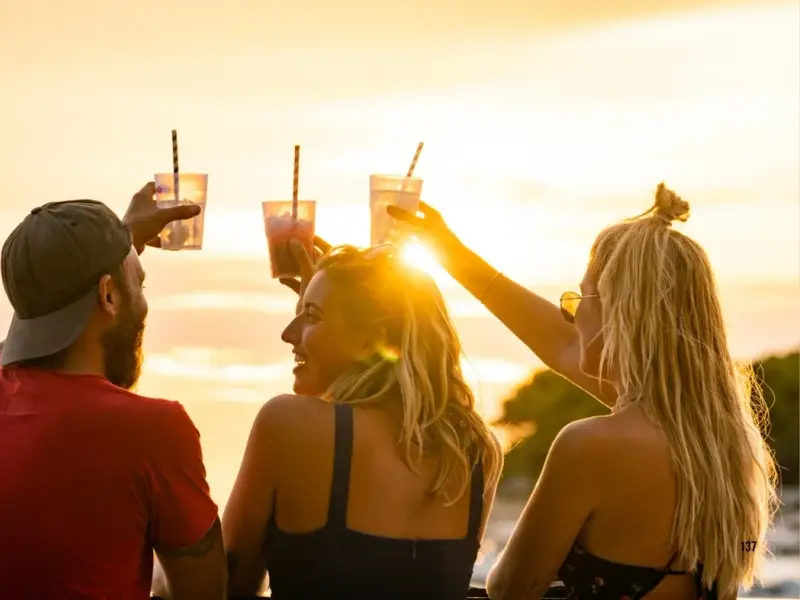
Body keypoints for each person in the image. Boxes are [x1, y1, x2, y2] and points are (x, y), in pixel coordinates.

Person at [390, 184, 778, 600]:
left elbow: (510, 588)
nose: (570, 315)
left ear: (618, 315)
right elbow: (561, 345)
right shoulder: (726, 444)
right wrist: (449, 252)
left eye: (579, 298)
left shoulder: (592, 444)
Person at [222, 243, 504, 600]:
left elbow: (229, 581)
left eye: (311, 316)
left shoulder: (289, 424)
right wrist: (321, 316)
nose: (288, 334)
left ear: (373, 338)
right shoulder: (473, 450)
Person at [0, 183, 226, 600]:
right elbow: (205, 591)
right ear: (107, 294)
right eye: (139, 283)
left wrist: (116, 246)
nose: (143, 302)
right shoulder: (156, 431)